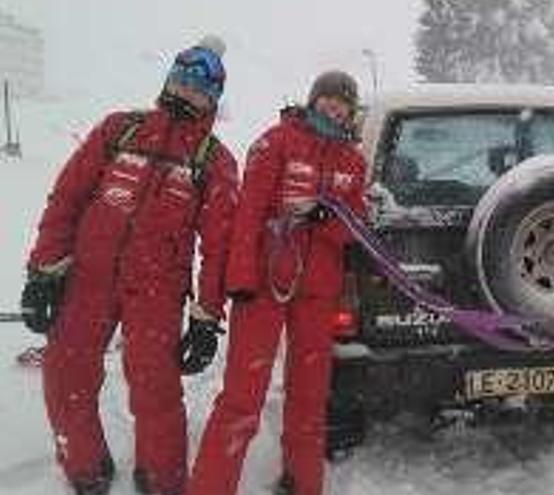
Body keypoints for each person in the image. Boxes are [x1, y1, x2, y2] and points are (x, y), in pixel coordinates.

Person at [19, 36, 240, 495]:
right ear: (168, 81)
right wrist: (44, 272)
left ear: (213, 99)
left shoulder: (213, 161)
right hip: (87, 280)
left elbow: (219, 248)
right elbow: (67, 200)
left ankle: (162, 480)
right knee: (65, 375)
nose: (186, 93)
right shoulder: (119, 130)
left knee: (154, 388)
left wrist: (205, 318)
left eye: (199, 89)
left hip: (156, 292)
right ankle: (86, 471)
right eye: (181, 81)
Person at [186, 70, 367, 495]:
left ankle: (303, 483)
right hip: (265, 284)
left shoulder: (353, 162)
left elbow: (356, 227)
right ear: (313, 100)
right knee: (241, 397)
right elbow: (247, 214)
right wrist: (241, 278)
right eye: (327, 101)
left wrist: (328, 219)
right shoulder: (276, 141)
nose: (334, 108)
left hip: (318, 293)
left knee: (309, 396)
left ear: (350, 112)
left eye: (342, 104)